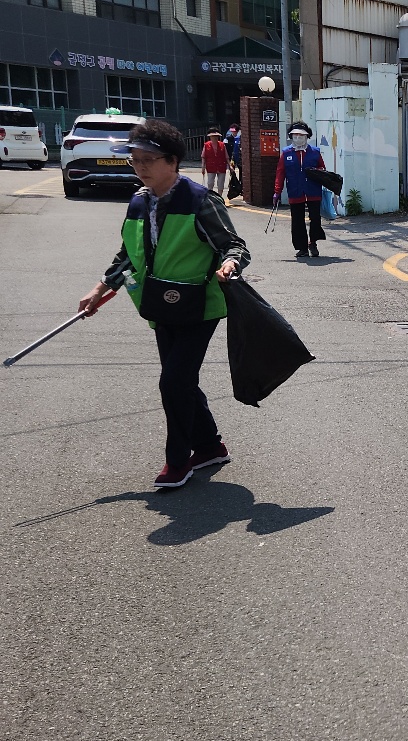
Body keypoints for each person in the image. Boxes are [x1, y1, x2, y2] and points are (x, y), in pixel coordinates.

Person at [77, 118, 250, 490]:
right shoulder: (139, 202)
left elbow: (234, 245)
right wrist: (98, 290)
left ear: (172, 161)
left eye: (148, 160)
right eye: (135, 160)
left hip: (199, 305)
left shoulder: (200, 200)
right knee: (181, 381)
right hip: (160, 304)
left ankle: (178, 461)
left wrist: (230, 264)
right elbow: (128, 255)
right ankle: (210, 446)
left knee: (173, 383)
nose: (140, 167)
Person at [274, 121, 326, 259]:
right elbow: (280, 172)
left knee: (315, 219)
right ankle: (302, 248)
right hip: (295, 190)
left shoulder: (315, 152)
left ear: (307, 136)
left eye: (301, 135)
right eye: (295, 135)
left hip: (313, 190)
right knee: (297, 221)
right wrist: (277, 191)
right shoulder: (286, 153)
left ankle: (313, 243)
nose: (298, 137)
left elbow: (323, 169)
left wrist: (318, 171)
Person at [201, 128, 228, 194]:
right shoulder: (206, 145)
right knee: (210, 183)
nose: (215, 138)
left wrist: (230, 165)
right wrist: (203, 167)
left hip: (221, 165)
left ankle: (220, 196)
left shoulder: (222, 145)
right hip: (211, 166)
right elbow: (203, 157)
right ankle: (211, 196)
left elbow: (226, 156)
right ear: (210, 137)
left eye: (216, 136)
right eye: (213, 136)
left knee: (221, 182)